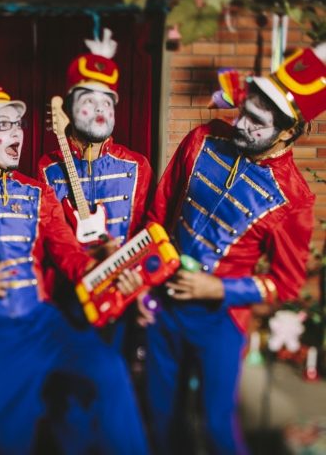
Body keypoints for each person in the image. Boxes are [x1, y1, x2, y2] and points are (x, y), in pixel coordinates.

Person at [0, 62, 149, 454]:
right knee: (11, 435)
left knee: (109, 370)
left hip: (43, 322)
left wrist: (108, 273)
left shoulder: (38, 192)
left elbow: (69, 254)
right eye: (2, 125)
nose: (16, 133)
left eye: (16, 124)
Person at [139, 43, 326, 454]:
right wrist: (145, 281)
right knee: (159, 413)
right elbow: (157, 215)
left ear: (288, 132)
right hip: (164, 300)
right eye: (244, 110)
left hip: (220, 320)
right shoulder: (202, 139)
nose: (239, 122)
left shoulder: (293, 198)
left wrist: (218, 289)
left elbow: (286, 283)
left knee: (215, 425)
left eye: (256, 121)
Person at [36, 29, 153, 346]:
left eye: (107, 102)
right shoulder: (46, 168)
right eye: (89, 101)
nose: (101, 109)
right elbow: (49, 238)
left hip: (120, 294)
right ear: (67, 110)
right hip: (66, 296)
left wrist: (138, 283)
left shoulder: (137, 166)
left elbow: (145, 232)